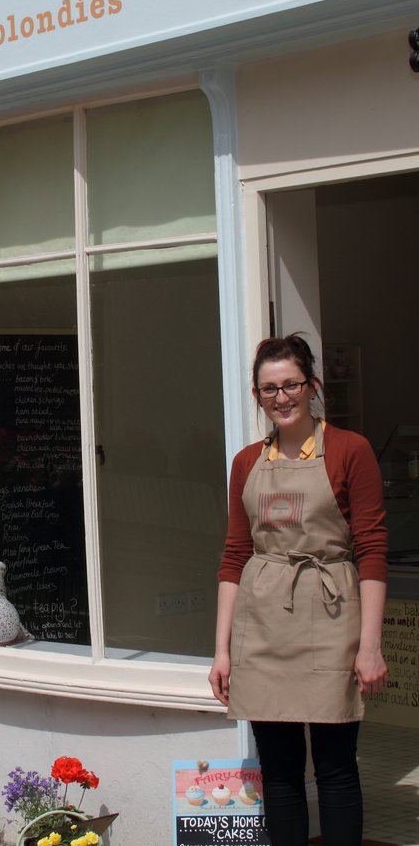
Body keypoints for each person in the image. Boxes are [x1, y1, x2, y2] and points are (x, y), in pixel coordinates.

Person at [208, 334, 388, 846]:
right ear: (257, 395)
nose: (281, 398)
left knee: (335, 768)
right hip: (261, 625)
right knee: (280, 772)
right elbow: (234, 557)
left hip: (333, 618)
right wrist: (222, 651)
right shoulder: (246, 462)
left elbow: (373, 549)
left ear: (312, 387)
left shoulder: (351, 451)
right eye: (269, 389)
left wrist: (369, 646)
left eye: (290, 385)